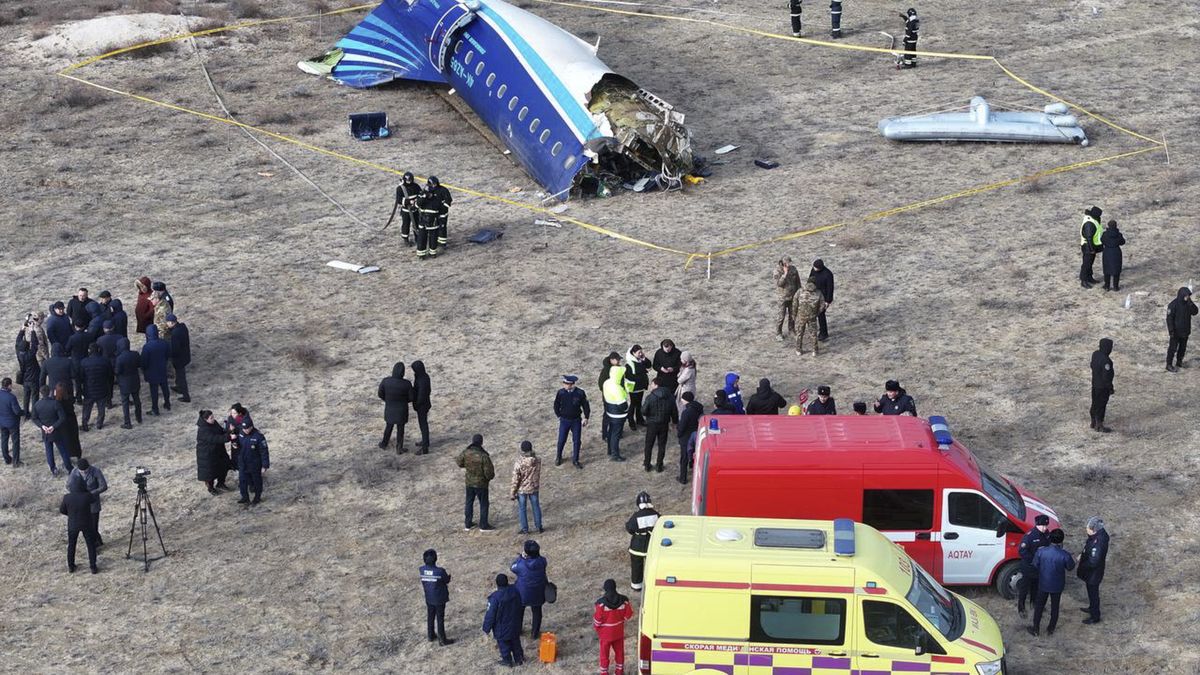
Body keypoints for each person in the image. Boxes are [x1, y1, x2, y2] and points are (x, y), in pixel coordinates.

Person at [1028, 528, 1074, 637]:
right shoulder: (1064, 555)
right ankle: (1050, 629)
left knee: (1039, 607)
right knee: (1055, 607)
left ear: (1050, 538)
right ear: (1062, 540)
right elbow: (1070, 567)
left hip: (1043, 583)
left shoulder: (1041, 551)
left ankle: (1036, 629)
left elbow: (1035, 564)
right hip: (1057, 586)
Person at [483, 574, 525, 667]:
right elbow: (520, 605)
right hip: (515, 624)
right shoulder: (515, 591)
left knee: (504, 645)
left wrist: (486, 628)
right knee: (516, 642)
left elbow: (490, 615)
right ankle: (519, 659)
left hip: (501, 627)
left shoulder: (495, 598)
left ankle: (507, 660)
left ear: (497, 584)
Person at [593, 578, 633, 675]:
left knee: (604, 654)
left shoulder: (601, 604)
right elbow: (628, 615)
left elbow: (597, 621)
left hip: (605, 634)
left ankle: (604, 672)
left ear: (605, 589)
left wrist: (597, 628)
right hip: (618, 633)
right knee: (619, 653)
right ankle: (619, 671)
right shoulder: (624, 601)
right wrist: (620, 620)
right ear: (615, 587)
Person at [456, 434, 496, 531]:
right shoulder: (483, 456)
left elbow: (459, 462)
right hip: (481, 484)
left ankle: (468, 524)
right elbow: (489, 473)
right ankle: (483, 525)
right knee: (483, 504)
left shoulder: (466, 452)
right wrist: (487, 478)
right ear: (481, 442)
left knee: (469, 502)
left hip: (469, 482)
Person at [60, 478, 99, 574]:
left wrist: (71, 514)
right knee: (90, 545)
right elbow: (94, 500)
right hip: (87, 523)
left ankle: (71, 566)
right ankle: (93, 566)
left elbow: (62, 510)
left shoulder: (67, 497)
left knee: (72, 545)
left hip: (73, 524)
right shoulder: (87, 496)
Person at [511, 539, 549, 639]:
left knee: (519, 611)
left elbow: (512, 567)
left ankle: (518, 630)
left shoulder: (521, 564)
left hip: (522, 593)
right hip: (538, 592)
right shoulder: (542, 561)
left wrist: (521, 558)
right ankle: (534, 633)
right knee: (537, 611)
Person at [67, 458, 108, 547]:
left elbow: (103, 486)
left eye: (86, 471)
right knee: (88, 527)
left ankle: (96, 544)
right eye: (82, 472)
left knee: (94, 525)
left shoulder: (96, 471)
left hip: (93, 503)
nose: (84, 473)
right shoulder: (74, 472)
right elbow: (68, 486)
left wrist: (90, 493)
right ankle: (96, 542)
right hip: (82, 504)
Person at [1017, 514, 1051, 618]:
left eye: (1046, 526)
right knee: (1024, 588)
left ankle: (1034, 603)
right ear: (1037, 525)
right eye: (1042, 526)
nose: (1045, 528)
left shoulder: (1046, 534)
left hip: (1040, 568)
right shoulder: (1029, 536)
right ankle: (1021, 607)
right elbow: (1022, 551)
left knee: (1036, 587)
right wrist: (1034, 560)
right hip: (1028, 567)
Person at [1078, 516, 1110, 625]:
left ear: (1094, 530)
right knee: (1091, 592)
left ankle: (1095, 616)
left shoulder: (1098, 543)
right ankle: (1092, 608)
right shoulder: (1101, 534)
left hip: (1093, 574)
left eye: (1088, 528)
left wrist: (1082, 564)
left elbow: (1093, 562)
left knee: (1093, 594)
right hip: (1094, 573)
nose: (1086, 530)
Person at [553, 375, 590, 468]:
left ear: (572, 384)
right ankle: (558, 457)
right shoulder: (561, 393)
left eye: (567, 384)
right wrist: (559, 415)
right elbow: (556, 404)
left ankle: (576, 460)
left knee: (577, 441)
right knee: (561, 440)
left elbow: (585, 405)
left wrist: (586, 417)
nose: (565, 385)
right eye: (564, 383)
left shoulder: (580, 393)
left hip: (576, 420)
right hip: (564, 420)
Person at [625, 492, 659, 591]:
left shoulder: (636, 516)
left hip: (636, 546)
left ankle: (637, 585)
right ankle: (650, 585)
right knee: (651, 567)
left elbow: (630, 528)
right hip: (651, 545)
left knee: (636, 567)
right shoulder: (655, 514)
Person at [420, 549, 455, 645]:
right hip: (439, 598)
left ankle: (430, 635)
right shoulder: (440, 571)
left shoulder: (421, 570)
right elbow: (446, 580)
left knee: (430, 616)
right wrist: (449, 577)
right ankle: (442, 640)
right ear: (435, 559)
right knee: (440, 618)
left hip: (429, 597)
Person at [33, 385, 69, 475]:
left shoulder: (37, 405)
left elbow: (34, 418)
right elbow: (62, 417)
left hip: (45, 432)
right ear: (49, 392)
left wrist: (42, 426)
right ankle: (69, 467)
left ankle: (53, 469)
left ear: (41, 393)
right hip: (56, 431)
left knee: (49, 451)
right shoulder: (55, 403)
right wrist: (53, 426)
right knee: (63, 450)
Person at [640, 377, 673, 473]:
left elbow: (643, 411)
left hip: (652, 424)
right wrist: (674, 421)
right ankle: (659, 465)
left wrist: (649, 416)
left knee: (649, 445)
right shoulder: (669, 396)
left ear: (656, 385)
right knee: (662, 445)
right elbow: (674, 410)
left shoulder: (650, 397)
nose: (650, 386)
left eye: (652, 384)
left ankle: (647, 464)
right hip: (664, 424)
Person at [377, 361, 412, 453]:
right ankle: (399, 448)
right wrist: (404, 401)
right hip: (402, 410)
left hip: (390, 408)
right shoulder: (407, 384)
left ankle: (384, 444)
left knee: (388, 427)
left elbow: (380, 394)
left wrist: (387, 399)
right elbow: (411, 397)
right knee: (400, 430)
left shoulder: (386, 381)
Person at [510, 441, 543, 534]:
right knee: (536, 506)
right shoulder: (537, 460)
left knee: (522, 508)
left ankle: (525, 529)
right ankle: (539, 527)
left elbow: (516, 479)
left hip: (522, 489)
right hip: (534, 487)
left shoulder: (519, 462)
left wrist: (513, 492)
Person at [602, 355, 631, 462]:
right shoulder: (617, 388)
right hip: (618, 415)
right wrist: (627, 407)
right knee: (616, 434)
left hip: (609, 411)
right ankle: (615, 454)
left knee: (611, 432)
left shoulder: (607, 383)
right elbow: (622, 405)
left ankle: (610, 450)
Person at [196, 410, 231, 494]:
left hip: (218, 451)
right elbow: (215, 439)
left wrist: (227, 431)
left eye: (213, 417)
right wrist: (228, 437)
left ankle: (221, 483)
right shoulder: (203, 430)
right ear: (205, 419)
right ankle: (211, 488)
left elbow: (220, 431)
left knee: (223, 467)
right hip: (208, 455)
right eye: (211, 418)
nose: (213, 419)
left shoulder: (213, 423)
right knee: (210, 473)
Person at [236, 418, 270, 505]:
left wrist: (264, 465)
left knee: (256, 481)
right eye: (244, 429)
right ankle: (245, 497)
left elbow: (264, 451)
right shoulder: (240, 433)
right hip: (243, 463)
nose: (245, 430)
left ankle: (257, 497)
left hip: (254, 463)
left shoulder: (258, 436)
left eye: (247, 428)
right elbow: (238, 444)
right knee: (242, 481)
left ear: (251, 427)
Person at [79, 344, 112, 431]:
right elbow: (110, 375)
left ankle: (85, 424)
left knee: (87, 408)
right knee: (101, 408)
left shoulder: (84, 362)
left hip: (89, 390)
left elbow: (81, 377)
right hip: (102, 388)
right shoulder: (105, 361)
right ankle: (99, 423)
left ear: (89, 351)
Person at [140, 324, 170, 415]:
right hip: (162, 369)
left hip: (152, 372)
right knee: (165, 387)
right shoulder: (164, 343)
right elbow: (168, 354)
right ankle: (167, 403)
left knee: (154, 391)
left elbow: (144, 361)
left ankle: (155, 409)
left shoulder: (147, 347)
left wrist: (143, 369)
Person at [792, 279, 827, 356]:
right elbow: (822, 305)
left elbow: (795, 303)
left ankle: (798, 349)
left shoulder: (800, 291)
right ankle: (814, 350)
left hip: (801, 316)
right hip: (812, 317)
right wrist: (817, 313)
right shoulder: (818, 293)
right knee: (813, 334)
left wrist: (794, 315)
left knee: (799, 333)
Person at [1166, 286, 1197, 372]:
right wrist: (1171, 330)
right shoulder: (1173, 305)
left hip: (1185, 331)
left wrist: (1191, 303)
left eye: (1188, 296)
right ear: (1181, 295)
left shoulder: (1188, 304)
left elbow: (1195, 312)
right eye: (1186, 296)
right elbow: (1169, 319)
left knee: (1182, 349)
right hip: (1175, 332)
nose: (1187, 297)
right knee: (1172, 349)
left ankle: (1179, 362)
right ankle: (1169, 364)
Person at [113, 338, 142, 429]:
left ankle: (127, 422)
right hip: (135, 380)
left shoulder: (120, 358)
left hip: (124, 383)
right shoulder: (135, 354)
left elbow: (117, 371)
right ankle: (139, 417)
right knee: (137, 399)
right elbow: (139, 364)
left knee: (125, 402)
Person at [676, 391, 703, 484]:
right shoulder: (699, 408)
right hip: (696, 434)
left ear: (685, 400)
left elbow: (682, 427)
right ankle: (692, 465)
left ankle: (683, 478)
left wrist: (679, 434)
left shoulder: (686, 412)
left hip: (686, 437)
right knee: (694, 452)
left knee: (684, 458)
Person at [1089, 338, 1115, 432]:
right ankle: (1099, 425)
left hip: (1095, 384)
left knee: (1095, 402)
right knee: (1101, 405)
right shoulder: (1106, 361)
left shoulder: (1095, 354)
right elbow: (1106, 376)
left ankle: (1093, 421)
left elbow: (1092, 365)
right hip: (1103, 387)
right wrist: (1110, 387)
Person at [624, 345, 651, 431]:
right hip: (634, 388)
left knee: (639, 404)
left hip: (641, 387)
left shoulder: (640, 360)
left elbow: (649, 365)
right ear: (633, 353)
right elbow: (629, 376)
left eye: (641, 352)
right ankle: (631, 422)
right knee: (633, 405)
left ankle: (640, 420)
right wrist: (643, 372)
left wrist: (644, 358)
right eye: (639, 352)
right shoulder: (629, 364)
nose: (640, 354)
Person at [774, 257, 802, 340]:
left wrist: (799, 292)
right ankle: (778, 333)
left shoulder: (793, 269)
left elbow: (798, 282)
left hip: (792, 296)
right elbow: (779, 284)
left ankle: (791, 330)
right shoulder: (777, 271)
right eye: (788, 263)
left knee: (792, 314)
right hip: (782, 297)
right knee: (781, 316)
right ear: (783, 263)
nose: (790, 265)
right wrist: (785, 274)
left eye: (790, 263)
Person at [165, 314, 191, 402]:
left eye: (167, 322)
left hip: (179, 359)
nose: (166, 324)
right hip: (185, 355)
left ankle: (186, 396)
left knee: (181, 376)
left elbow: (175, 349)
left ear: (172, 323)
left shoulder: (175, 333)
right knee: (179, 375)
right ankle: (179, 387)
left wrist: (169, 354)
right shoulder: (182, 327)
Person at [809, 259, 835, 341]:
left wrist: (828, 301)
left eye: (815, 267)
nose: (814, 268)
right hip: (813, 294)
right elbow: (810, 280)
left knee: (821, 315)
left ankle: (823, 333)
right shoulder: (813, 270)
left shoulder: (828, 274)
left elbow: (830, 288)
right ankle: (813, 330)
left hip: (822, 298)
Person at [55, 383, 82, 462]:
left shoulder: (57, 402)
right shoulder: (70, 398)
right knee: (75, 438)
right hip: (72, 420)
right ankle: (78, 454)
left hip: (63, 423)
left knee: (66, 440)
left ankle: (69, 456)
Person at [393, 171, 421, 246]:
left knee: (417, 224)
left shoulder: (416, 186)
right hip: (406, 211)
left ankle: (417, 237)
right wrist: (409, 201)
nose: (409, 182)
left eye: (410, 180)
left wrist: (417, 201)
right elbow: (399, 200)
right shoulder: (400, 189)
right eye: (407, 181)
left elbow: (420, 195)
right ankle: (406, 239)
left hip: (415, 209)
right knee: (406, 225)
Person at [410, 360, 432, 453]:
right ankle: (425, 442)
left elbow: (421, 395)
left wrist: (416, 404)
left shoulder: (421, 379)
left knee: (423, 425)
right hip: (425, 404)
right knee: (423, 424)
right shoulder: (423, 376)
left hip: (422, 406)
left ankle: (425, 447)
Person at [415, 184, 442, 259]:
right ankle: (421, 254)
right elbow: (417, 205)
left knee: (433, 239)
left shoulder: (436, 199)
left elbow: (439, 208)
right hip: (423, 222)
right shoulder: (422, 198)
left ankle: (432, 253)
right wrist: (423, 197)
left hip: (433, 222)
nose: (428, 195)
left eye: (429, 193)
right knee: (421, 239)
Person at [1079, 206, 1103, 288]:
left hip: (1091, 246)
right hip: (1088, 247)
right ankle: (1084, 280)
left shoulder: (1092, 220)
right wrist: (1091, 249)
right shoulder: (1089, 223)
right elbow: (1089, 238)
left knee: (1090, 263)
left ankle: (1089, 277)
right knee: (1086, 264)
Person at [427, 176, 453, 251]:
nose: (434, 186)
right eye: (432, 184)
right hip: (433, 214)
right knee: (434, 228)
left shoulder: (443, 190)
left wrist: (442, 209)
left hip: (442, 213)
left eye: (435, 184)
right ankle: (434, 241)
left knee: (442, 227)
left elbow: (448, 200)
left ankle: (442, 243)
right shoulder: (428, 191)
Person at [0, 378, 22, 467]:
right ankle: (16, 461)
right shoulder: (11, 397)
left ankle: (7, 458)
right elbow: (17, 411)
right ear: (9, 385)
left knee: (4, 440)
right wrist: (24, 412)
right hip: (12, 423)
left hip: (1, 422)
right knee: (15, 441)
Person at [17, 339, 41, 419]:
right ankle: (34, 414)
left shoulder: (19, 354)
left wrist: (22, 330)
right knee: (35, 397)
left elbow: (17, 342)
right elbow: (35, 344)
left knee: (26, 397)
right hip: (33, 379)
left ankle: (26, 413)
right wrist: (32, 331)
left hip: (25, 379)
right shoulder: (30, 355)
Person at [1100, 220, 1125, 291]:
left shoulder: (1105, 234)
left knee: (1106, 269)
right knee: (1116, 270)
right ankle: (1115, 286)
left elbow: (1102, 240)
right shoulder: (1118, 234)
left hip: (1107, 252)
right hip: (1116, 252)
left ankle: (1107, 286)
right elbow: (1123, 242)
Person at [673, 351, 695, 416]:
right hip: (688, 388)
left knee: (683, 406)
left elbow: (680, 380)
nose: (680, 360)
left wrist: (679, 375)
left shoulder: (689, 370)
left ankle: (682, 419)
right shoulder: (690, 366)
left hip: (686, 389)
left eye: (682, 359)